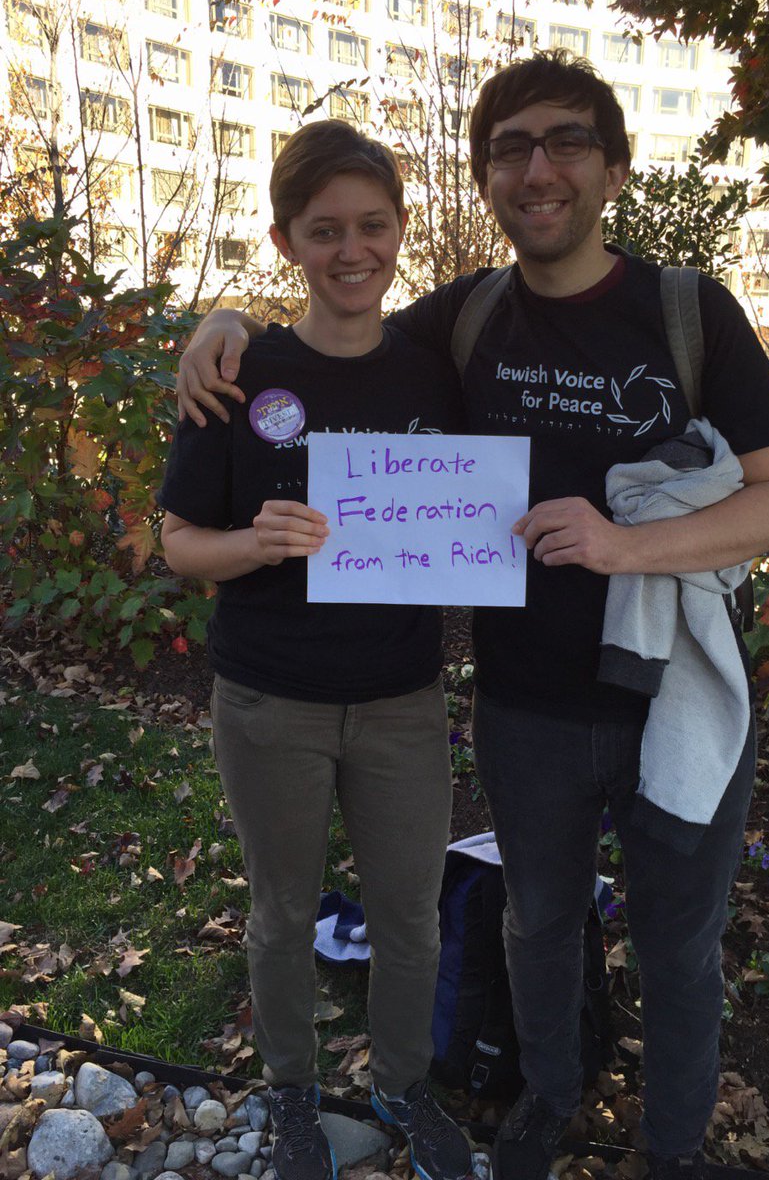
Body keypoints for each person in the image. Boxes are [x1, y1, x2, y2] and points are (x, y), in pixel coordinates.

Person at [175, 52, 769, 1180]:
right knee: (536, 926)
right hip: (523, 703)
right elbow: (337, 320)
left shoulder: (687, 310)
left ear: (614, 168)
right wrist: (222, 320)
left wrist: (624, 544)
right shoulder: (466, 316)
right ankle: (546, 1103)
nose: (538, 168)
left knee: (679, 947)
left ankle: (670, 1152)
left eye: (566, 141)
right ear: (483, 179)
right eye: (511, 148)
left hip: (674, 699)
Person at [159, 119, 474, 1180]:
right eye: (325, 228)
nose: (353, 250)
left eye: (373, 226)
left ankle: (400, 1086)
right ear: (287, 237)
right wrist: (253, 542)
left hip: (401, 702)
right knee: (284, 913)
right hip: (270, 699)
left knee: (411, 919)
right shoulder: (244, 372)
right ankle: (292, 1092)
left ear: (399, 232)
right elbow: (175, 542)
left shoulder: (435, 374)